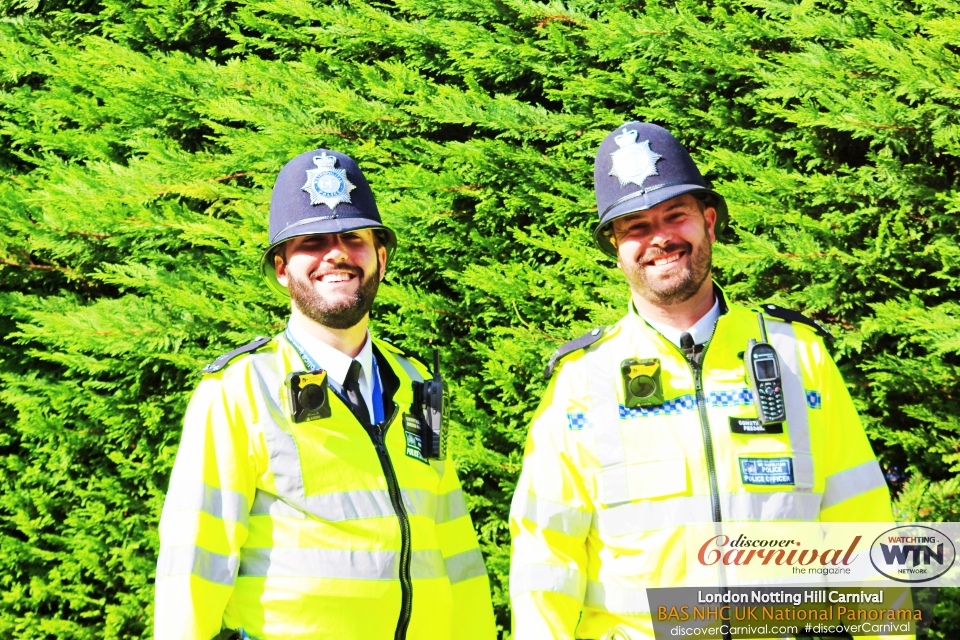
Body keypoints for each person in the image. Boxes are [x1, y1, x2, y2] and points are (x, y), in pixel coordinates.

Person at [508, 123, 897, 639]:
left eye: (675, 215)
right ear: (616, 248)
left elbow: (863, 524)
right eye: (635, 227)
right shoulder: (583, 379)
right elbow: (545, 557)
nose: (660, 238)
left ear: (709, 223)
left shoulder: (798, 355)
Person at [155, 149, 496, 640]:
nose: (335, 253)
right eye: (312, 242)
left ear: (379, 257)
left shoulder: (417, 385)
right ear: (281, 269)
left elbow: (454, 546)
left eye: (352, 238)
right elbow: (194, 561)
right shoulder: (238, 391)